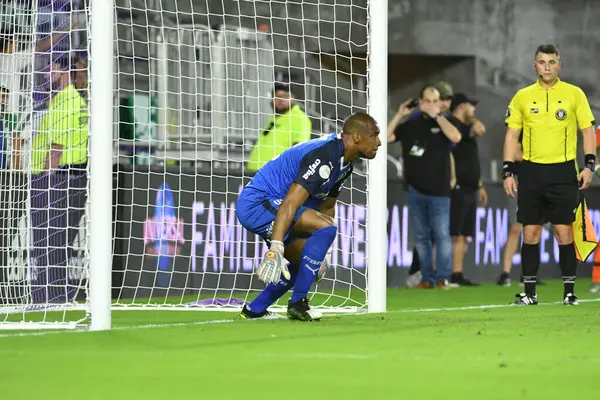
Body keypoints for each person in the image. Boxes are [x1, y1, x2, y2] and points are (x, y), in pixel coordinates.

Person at [237, 112, 381, 321]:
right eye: (374, 135)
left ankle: (254, 310)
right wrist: (276, 247)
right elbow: (291, 203)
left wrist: (325, 253)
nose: (379, 142)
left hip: (278, 206)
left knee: (305, 263)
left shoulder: (345, 165)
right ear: (357, 137)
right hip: (258, 203)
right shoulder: (324, 155)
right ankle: (298, 304)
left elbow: (327, 206)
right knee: (327, 228)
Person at [502, 44, 595, 306]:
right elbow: (511, 135)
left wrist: (590, 165)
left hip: (563, 170)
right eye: (542, 62)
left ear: (559, 65)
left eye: (551, 62)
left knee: (563, 232)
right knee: (530, 232)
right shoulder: (521, 96)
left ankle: (569, 293)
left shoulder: (573, 94)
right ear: (534, 66)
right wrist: (508, 170)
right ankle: (529, 293)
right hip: (531, 172)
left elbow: (587, 130)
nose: (546, 66)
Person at [389, 86, 462, 289]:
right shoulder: (410, 126)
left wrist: (438, 116)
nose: (431, 105)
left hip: (440, 189)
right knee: (421, 237)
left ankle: (443, 278)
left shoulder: (446, 123)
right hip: (415, 189)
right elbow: (385, 137)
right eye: (427, 101)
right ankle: (427, 278)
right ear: (420, 103)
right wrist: (400, 114)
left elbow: (456, 137)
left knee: (441, 234)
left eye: (435, 101)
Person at [29, 58, 88, 303]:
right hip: (72, 179)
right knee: (59, 244)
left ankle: (47, 299)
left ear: (64, 72)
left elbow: (56, 148)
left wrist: (46, 181)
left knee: (48, 244)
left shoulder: (65, 102)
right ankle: (56, 297)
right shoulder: (75, 101)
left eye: (51, 69)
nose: (45, 75)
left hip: (57, 181)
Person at [448, 93, 488, 287]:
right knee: (455, 233)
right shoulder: (452, 125)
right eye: (471, 106)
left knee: (465, 234)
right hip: (458, 186)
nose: (474, 110)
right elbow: (459, 140)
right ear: (462, 107)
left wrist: (480, 185)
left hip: (471, 186)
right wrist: (473, 125)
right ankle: (449, 273)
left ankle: (457, 273)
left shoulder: (467, 128)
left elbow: (473, 161)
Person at [246, 82, 312, 172]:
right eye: (277, 96)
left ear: (292, 98)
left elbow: (299, 150)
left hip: (274, 176)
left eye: (285, 96)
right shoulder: (275, 118)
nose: (280, 100)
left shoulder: (299, 118)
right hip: (257, 173)